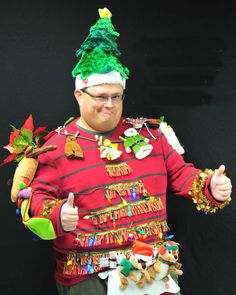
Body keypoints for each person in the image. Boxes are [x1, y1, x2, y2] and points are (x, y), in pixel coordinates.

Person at [8, 7, 232, 295]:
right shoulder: (55, 146)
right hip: (88, 278)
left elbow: (182, 175)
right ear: (79, 95)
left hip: (150, 271)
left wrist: (210, 186)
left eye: (116, 96)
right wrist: (57, 214)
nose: (109, 105)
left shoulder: (151, 135)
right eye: (101, 97)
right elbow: (33, 198)